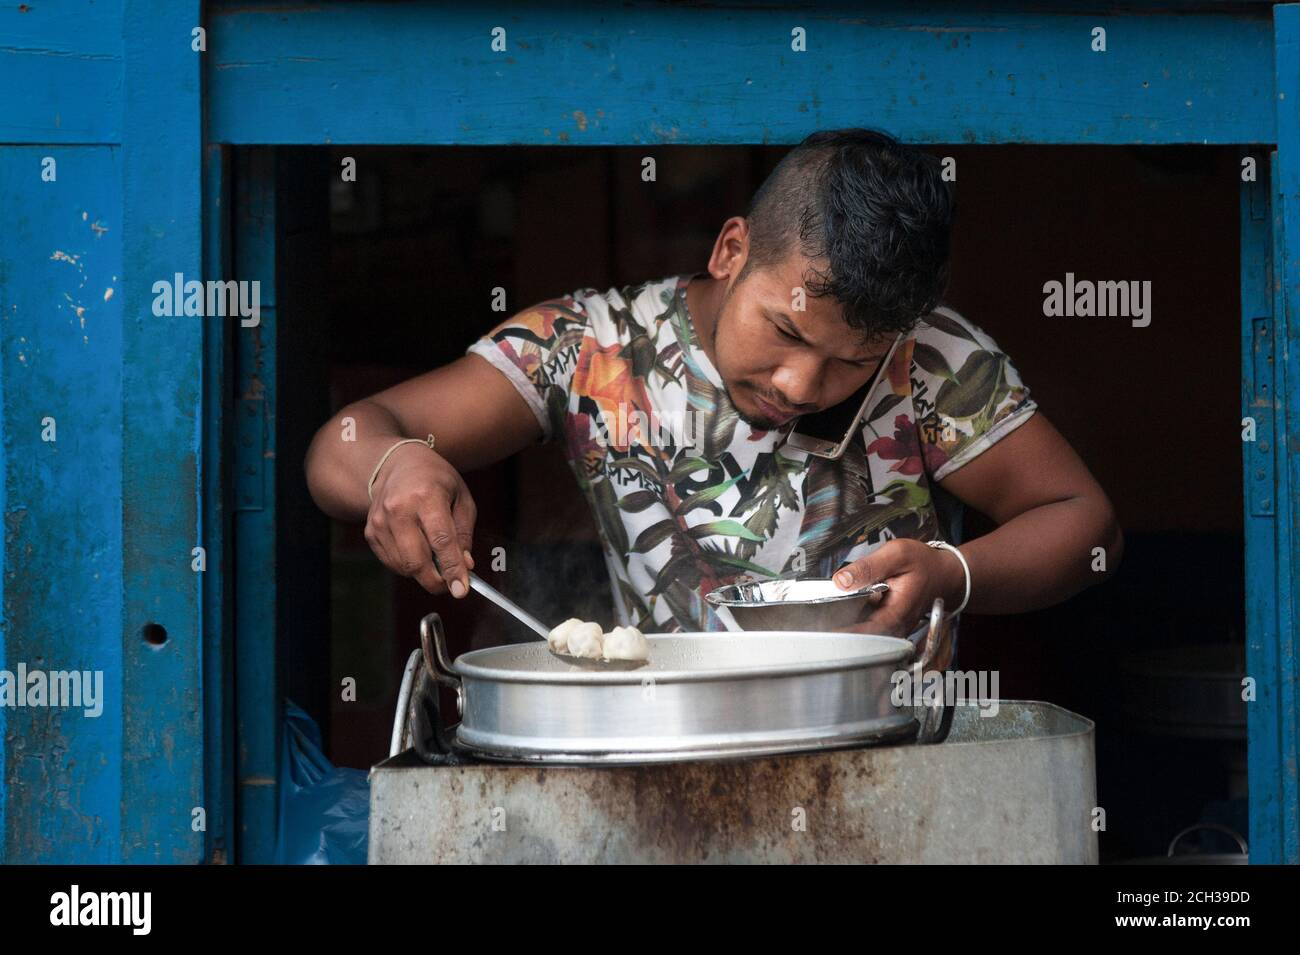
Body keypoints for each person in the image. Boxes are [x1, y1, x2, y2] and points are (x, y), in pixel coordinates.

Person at [305, 128, 1122, 642]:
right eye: (787, 330)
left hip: (886, 767)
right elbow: (347, 436)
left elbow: (1086, 526)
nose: (801, 382)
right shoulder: (591, 347)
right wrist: (393, 467)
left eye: (852, 362)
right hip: (666, 763)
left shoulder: (935, 359)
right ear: (732, 250)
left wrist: (956, 572)